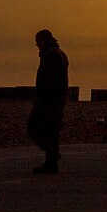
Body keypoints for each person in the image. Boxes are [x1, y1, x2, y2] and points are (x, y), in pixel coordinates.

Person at [28, 29, 69, 174]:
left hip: (50, 99)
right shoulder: (59, 54)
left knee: (33, 126)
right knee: (53, 130)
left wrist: (40, 97)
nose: (36, 44)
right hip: (58, 98)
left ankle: (52, 153)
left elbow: (49, 80)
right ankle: (51, 163)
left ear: (44, 40)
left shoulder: (51, 55)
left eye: (38, 41)